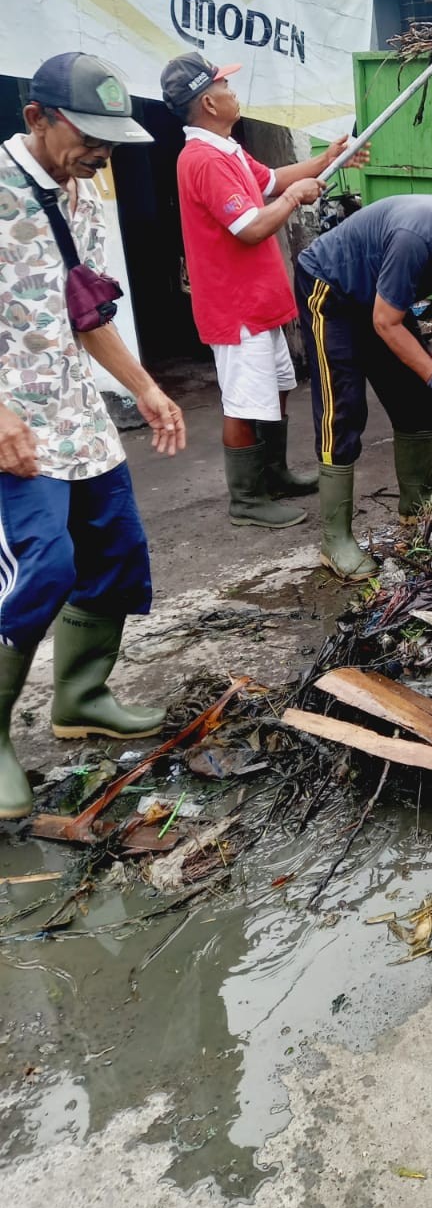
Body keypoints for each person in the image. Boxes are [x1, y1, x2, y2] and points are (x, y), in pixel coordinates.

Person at [0, 53, 188, 820]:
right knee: (42, 564)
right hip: (11, 425)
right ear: (36, 116)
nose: (102, 152)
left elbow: (87, 314)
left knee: (115, 551)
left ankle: (79, 697)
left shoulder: (78, 194)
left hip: (76, 413)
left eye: (112, 138)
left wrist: (144, 387)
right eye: (88, 134)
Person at [162, 51, 366, 530]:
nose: (234, 94)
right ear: (208, 102)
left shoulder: (226, 149)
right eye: (225, 87)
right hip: (236, 309)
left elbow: (271, 180)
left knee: (275, 390)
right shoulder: (202, 159)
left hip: (259, 302)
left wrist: (326, 159)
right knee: (242, 402)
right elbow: (250, 227)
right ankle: (247, 498)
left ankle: (273, 473)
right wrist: (296, 197)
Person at [294, 173, 432, 580]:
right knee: (342, 411)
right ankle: (335, 540)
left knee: (416, 405)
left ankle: (414, 508)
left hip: (383, 304)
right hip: (333, 289)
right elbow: (386, 323)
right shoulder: (414, 235)